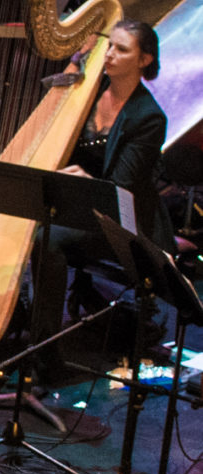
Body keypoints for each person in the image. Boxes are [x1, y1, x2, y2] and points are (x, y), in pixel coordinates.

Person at [30, 21, 169, 376]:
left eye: (122, 50)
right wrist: (75, 62)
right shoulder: (89, 89)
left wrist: (86, 180)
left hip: (119, 220)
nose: (109, 54)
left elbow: (121, 187)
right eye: (109, 46)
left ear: (144, 60)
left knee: (48, 237)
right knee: (20, 212)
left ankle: (45, 351)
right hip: (76, 203)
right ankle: (14, 318)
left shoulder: (148, 117)